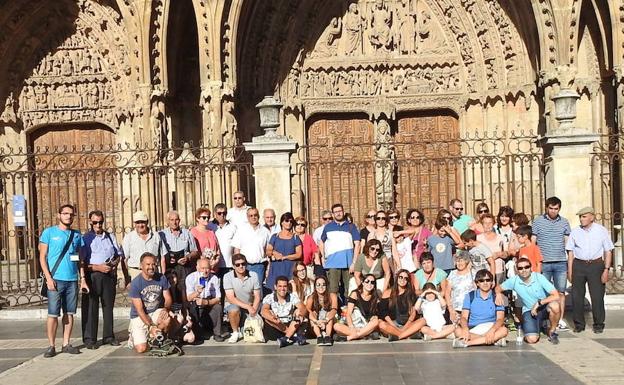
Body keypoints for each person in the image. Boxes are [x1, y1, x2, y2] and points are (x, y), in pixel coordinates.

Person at [39, 204, 87, 358]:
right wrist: (48, 278)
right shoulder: (49, 233)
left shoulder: (77, 235)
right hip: (55, 279)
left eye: (71, 214)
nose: (68, 216)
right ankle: (51, 345)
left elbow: (79, 259)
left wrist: (82, 278)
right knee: (53, 314)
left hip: (72, 279)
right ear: (58, 215)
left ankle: (66, 343)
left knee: (70, 313)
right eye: (65, 213)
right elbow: (42, 257)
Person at [566, 206, 614, 333]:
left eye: (584, 216)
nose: (581, 219)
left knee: (597, 296)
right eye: (580, 217)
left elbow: (608, 251)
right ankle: (579, 324)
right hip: (579, 265)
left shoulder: (601, 231)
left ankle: (598, 324)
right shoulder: (575, 232)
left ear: (592, 217)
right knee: (577, 296)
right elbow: (570, 253)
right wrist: (570, 271)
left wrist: (606, 269)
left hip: (596, 265)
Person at [80, 210, 123, 349]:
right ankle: (90, 338)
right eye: (95, 222)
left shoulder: (110, 237)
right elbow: (82, 262)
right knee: (91, 307)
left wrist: (114, 263)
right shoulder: (86, 238)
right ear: (90, 223)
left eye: (100, 222)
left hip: (108, 275)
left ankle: (108, 336)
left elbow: (118, 254)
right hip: (93, 274)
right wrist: (98, 267)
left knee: (108, 306)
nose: (98, 225)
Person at [496, 258, 561, 344]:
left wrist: (539, 303)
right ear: (517, 270)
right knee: (532, 339)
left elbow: (556, 295)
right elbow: (498, 288)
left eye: (526, 267)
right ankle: (535, 327)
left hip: (544, 307)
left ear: (531, 268)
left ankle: (552, 331)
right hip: (529, 310)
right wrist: (498, 294)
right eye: (520, 268)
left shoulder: (539, 277)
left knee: (555, 306)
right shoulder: (514, 280)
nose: (524, 270)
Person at [532, 196, 571, 331]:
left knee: (560, 292)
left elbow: (567, 241)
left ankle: (559, 319)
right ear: (546, 208)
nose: (553, 211)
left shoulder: (565, 222)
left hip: (560, 261)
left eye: (556, 209)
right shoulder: (537, 222)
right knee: (544, 292)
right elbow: (533, 241)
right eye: (551, 208)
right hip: (544, 262)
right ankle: (544, 319)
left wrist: (570, 259)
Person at [127, 252, 173, 354]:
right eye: (148, 264)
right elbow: (139, 310)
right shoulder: (135, 283)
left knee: (167, 318)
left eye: (153, 264)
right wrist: (150, 325)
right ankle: (134, 335)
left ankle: (156, 336)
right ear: (141, 266)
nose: (151, 267)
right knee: (141, 349)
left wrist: (166, 308)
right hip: (139, 316)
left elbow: (168, 298)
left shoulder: (161, 278)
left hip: (155, 311)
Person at [452, 269, 508, 348]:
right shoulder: (470, 296)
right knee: (458, 331)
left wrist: (492, 331)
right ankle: (492, 341)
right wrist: (465, 329)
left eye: (488, 280)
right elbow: (464, 317)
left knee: (504, 330)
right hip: (473, 327)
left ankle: (467, 343)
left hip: (490, 327)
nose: (485, 283)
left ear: (492, 282)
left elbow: (500, 319)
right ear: (477, 283)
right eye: (481, 281)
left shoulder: (496, 297)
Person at [320, 203, 361, 300]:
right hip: (332, 263)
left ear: (343, 212)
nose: (338, 214)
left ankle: (349, 310)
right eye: (336, 212)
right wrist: (323, 256)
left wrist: (354, 262)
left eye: (340, 211)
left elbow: (357, 244)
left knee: (350, 288)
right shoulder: (328, 227)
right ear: (333, 214)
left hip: (348, 264)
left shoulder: (351, 227)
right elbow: (321, 242)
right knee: (333, 289)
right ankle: (334, 309)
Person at [159, 210, 200, 298]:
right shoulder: (162, 234)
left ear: (179, 220)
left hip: (184, 267)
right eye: (171, 220)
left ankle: (185, 311)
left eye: (176, 219)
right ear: (167, 221)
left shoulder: (187, 233)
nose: (174, 222)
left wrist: (188, 257)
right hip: (169, 267)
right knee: (170, 292)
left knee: (184, 293)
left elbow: (195, 252)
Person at [185, 258, 228, 342]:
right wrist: (197, 292)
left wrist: (207, 302)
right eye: (202, 268)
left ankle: (217, 333)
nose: (205, 271)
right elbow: (189, 298)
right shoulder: (190, 278)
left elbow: (218, 298)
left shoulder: (214, 278)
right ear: (197, 268)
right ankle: (198, 334)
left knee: (218, 307)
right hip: (195, 301)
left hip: (208, 301)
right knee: (193, 307)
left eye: (207, 268)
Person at [223, 254, 262, 344]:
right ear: (233, 266)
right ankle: (235, 332)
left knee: (249, 332)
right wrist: (248, 307)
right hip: (235, 304)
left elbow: (257, 296)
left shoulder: (254, 275)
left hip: (250, 305)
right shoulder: (227, 276)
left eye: (243, 264)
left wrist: (254, 310)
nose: (241, 266)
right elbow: (231, 298)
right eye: (237, 265)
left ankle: (242, 328)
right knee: (233, 309)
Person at [261, 275, 308, 347]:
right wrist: (272, 318)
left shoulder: (292, 297)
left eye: (284, 286)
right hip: (276, 327)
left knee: (298, 312)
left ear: (287, 287)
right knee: (268, 318)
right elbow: (264, 311)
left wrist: (300, 313)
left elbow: (303, 308)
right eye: (280, 286)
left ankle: (286, 338)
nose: (282, 289)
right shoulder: (269, 297)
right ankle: (292, 336)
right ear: (275, 287)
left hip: (290, 324)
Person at [334, 274, 381, 341]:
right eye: (367, 281)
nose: (369, 284)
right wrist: (351, 327)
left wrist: (375, 316)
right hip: (354, 323)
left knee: (376, 321)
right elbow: (348, 313)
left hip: (366, 324)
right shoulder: (355, 294)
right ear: (362, 282)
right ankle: (364, 335)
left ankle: (350, 337)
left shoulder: (376, 296)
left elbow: (376, 314)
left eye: (372, 282)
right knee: (336, 326)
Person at [232, 208, 271, 286]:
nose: (253, 217)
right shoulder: (241, 230)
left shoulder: (265, 231)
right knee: (244, 290)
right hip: (244, 266)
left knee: (257, 290)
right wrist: (238, 266)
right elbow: (237, 249)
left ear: (259, 216)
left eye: (255, 215)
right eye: (251, 215)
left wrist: (268, 267)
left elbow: (268, 250)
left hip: (259, 266)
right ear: (247, 217)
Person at [265, 212, 303, 290]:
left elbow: (299, 254)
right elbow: (268, 251)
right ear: (282, 222)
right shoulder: (275, 236)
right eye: (286, 220)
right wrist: (274, 253)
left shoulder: (295, 238)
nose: (289, 223)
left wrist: (285, 257)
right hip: (276, 268)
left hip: (290, 268)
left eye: (291, 221)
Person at [379, 269, 419, 341]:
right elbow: (383, 312)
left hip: (407, 324)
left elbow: (413, 313)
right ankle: (407, 335)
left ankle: (399, 336)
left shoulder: (411, 294)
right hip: (392, 323)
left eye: (405, 278)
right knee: (381, 324)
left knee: (423, 321)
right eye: (400, 277)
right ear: (397, 278)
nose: (403, 280)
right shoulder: (387, 292)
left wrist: (405, 328)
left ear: (408, 281)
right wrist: (393, 325)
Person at [122, 211, 162, 281]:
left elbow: (162, 257)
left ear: (147, 222)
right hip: (135, 273)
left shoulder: (156, 236)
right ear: (134, 224)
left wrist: (162, 276)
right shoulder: (129, 237)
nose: (140, 225)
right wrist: (127, 279)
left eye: (142, 222)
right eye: (138, 222)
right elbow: (124, 259)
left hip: (153, 272)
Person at [305, 275, 338, 346]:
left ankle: (328, 336)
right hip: (317, 322)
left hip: (328, 320)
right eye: (318, 285)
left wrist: (326, 320)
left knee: (330, 314)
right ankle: (319, 336)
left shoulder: (332, 295)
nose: (321, 287)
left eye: (323, 285)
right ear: (315, 286)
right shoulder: (311, 297)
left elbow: (334, 309)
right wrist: (317, 321)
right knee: (313, 312)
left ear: (327, 286)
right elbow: (308, 311)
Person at [444, 251, 475, 323]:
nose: (459, 263)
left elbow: (477, 289)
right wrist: (451, 310)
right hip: (456, 310)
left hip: (470, 309)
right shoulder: (452, 274)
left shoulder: (473, 273)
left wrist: (469, 270)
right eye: (457, 261)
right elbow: (447, 293)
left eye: (461, 261)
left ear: (466, 261)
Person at [477, 214, 508, 283]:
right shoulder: (477, 238)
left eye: (490, 223)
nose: (487, 225)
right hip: (482, 273)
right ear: (482, 224)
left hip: (498, 271)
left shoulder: (501, 238)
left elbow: (507, 254)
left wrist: (498, 254)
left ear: (493, 224)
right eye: (485, 223)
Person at [212, 203, 237, 272]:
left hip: (229, 265)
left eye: (224, 213)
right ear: (215, 214)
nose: (222, 215)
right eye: (219, 213)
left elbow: (236, 246)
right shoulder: (209, 226)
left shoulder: (233, 227)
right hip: (214, 265)